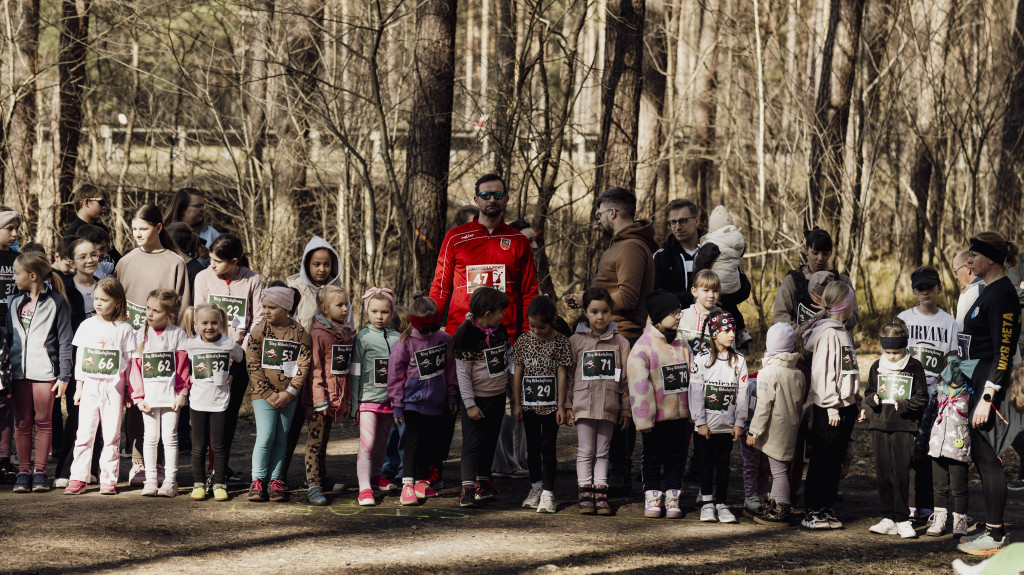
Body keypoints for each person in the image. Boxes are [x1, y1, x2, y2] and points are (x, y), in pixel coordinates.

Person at [566, 188, 657, 494]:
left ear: (613, 213)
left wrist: (588, 299)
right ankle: (599, 470)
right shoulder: (618, 246)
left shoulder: (631, 247)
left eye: (601, 213)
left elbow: (629, 296)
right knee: (600, 403)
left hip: (623, 334)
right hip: (602, 332)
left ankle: (618, 473)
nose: (600, 219)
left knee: (617, 405)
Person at [956, 232, 1022, 556]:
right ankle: (992, 529)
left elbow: (1003, 351)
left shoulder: (1003, 294)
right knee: (982, 457)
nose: (969, 261)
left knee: (988, 457)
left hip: (991, 388)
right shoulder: (987, 291)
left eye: (974, 255)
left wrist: (986, 397)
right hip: (977, 380)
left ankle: (995, 536)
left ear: (991, 259)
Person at [116, 204, 191, 486]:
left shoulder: (175, 262)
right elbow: (118, 304)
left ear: (159, 228)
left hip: (167, 345)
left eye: (143, 229)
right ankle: (138, 463)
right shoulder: (126, 262)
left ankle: (161, 465)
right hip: (135, 344)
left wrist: (177, 344)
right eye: (134, 229)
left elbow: (183, 308)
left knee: (164, 404)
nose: (137, 234)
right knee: (139, 402)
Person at [431, 173, 538, 340]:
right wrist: (429, 328)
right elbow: (440, 288)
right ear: (476, 199)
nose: (492, 200)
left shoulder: (518, 240)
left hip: (505, 338)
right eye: (486, 195)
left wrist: (527, 334)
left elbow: (529, 292)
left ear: (506, 198)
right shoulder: (455, 237)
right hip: (460, 335)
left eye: (498, 195)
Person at [7, 252, 73, 493]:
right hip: (17, 374)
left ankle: (40, 472)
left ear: (32, 276)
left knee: (43, 422)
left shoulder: (57, 302)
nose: (14, 278)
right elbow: (8, 339)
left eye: (17, 273)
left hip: (46, 373)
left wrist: (64, 376)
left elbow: (65, 342)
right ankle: (23, 472)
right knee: (22, 423)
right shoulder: (14, 302)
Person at [898, 265, 960, 519]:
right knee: (909, 447)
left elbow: (954, 359)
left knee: (931, 450)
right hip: (909, 393)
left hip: (938, 395)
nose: (926, 292)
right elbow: (892, 354)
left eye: (930, 287)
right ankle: (908, 503)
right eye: (920, 288)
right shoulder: (904, 319)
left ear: (939, 289)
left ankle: (928, 504)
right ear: (914, 292)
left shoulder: (949, 323)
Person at [796, 280, 859, 529]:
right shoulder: (828, 334)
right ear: (845, 303)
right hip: (829, 408)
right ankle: (812, 510)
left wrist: (857, 400)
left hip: (846, 406)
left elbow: (849, 371)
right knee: (822, 459)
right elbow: (822, 374)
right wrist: (831, 405)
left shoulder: (844, 332)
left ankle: (827, 507)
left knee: (835, 460)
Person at [283, 236, 345, 482]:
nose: (322, 269)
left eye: (327, 264)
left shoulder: (336, 291)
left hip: (324, 372)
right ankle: (278, 477)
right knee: (289, 427)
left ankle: (319, 476)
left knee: (320, 429)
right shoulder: (295, 289)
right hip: (296, 369)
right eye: (316, 264)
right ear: (306, 264)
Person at [626, 289, 693, 519]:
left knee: (676, 456)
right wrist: (644, 418)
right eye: (673, 313)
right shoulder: (643, 348)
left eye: (679, 312)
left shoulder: (683, 344)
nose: (678, 316)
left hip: (680, 415)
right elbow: (639, 385)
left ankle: (673, 497)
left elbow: (693, 378)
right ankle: (653, 496)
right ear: (658, 315)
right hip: (655, 418)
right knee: (652, 456)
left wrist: (693, 410)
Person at [64, 278, 135, 494]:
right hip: (91, 386)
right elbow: (81, 358)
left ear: (117, 302)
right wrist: (79, 386)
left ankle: (108, 478)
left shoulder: (124, 329)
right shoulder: (86, 325)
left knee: (111, 433)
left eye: (104, 300)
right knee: (85, 432)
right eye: (95, 298)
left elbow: (130, 362)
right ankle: (78, 477)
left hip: (114, 387)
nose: (98, 303)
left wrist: (130, 392)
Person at [387, 296, 458, 507]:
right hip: (411, 403)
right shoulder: (405, 342)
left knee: (429, 443)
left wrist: (452, 394)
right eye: (425, 330)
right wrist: (397, 405)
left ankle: (420, 481)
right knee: (412, 442)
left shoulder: (443, 339)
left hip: (437, 402)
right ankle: (407, 485)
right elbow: (395, 375)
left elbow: (451, 368)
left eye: (432, 329)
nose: (428, 334)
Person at [862, 319, 929, 539]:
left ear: (905, 347)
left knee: (901, 471)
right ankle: (887, 517)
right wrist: (872, 399)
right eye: (888, 351)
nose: (892, 356)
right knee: (883, 472)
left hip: (904, 427)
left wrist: (906, 404)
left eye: (897, 351)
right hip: (879, 425)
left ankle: (902, 518)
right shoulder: (876, 366)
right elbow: (869, 392)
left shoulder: (913, 366)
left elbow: (922, 398)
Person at [568, 287, 631, 516]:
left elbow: (625, 378)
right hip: (583, 403)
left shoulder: (621, 343)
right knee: (585, 450)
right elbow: (568, 374)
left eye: (605, 311)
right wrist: (566, 405)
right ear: (585, 312)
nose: (600, 317)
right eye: (594, 311)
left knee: (603, 451)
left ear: (611, 312)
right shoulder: (575, 341)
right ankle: (585, 491)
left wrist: (626, 409)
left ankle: (600, 492)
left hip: (609, 405)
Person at [246, 284, 311, 503]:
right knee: (266, 436)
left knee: (281, 437)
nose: (266, 311)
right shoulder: (259, 330)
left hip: (288, 396)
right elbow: (252, 363)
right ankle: (258, 480)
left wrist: (290, 392)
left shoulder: (300, 332)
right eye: (264, 306)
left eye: (272, 307)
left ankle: (275, 480)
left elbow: (304, 363)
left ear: (286, 308)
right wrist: (266, 393)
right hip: (262, 395)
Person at [511, 295, 572, 514]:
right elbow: (517, 374)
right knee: (532, 448)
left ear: (553, 321)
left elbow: (563, 375)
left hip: (551, 407)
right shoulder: (523, 341)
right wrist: (516, 403)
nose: (537, 331)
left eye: (542, 327)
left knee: (548, 447)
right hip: (528, 406)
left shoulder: (560, 342)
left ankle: (548, 492)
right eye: (532, 326)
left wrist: (561, 405)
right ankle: (535, 486)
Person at [451, 287, 511, 508]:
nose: (503, 315)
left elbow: (507, 359)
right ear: (487, 314)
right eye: (500, 311)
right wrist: (469, 404)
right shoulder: (467, 335)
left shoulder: (500, 331)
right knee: (473, 444)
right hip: (476, 400)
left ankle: (482, 484)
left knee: (489, 442)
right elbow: (463, 374)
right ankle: (467, 489)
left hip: (497, 397)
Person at [128, 289, 189, 498]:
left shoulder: (179, 335)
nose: (150, 314)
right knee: (150, 437)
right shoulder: (139, 335)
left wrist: (182, 393)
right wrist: (137, 397)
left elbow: (183, 368)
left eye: (156, 311)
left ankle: (170, 481)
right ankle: (151, 479)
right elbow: (134, 369)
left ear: (170, 315)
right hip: (149, 397)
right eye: (148, 309)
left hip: (171, 396)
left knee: (170, 437)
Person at [689, 310, 748, 524]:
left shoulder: (739, 360)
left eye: (733, 329)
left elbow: (743, 392)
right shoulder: (702, 359)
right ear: (715, 334)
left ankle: (722, 504)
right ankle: (707, 502)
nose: (732, 334)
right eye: (726, 330)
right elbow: (695, 392)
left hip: (727, 427)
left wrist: (740, 422)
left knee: (724, 466)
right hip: (706, 428)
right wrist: (700, 422)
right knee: (705, 464)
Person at [182, 303, 243, 502]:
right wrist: (189, 374)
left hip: (220, 401)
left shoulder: (228, 344)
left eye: (214, 323)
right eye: (205, 323)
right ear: (196, 324)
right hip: (198, 401)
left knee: (218, 445)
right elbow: (184, 364)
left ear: (221, 323)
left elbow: (241, 360)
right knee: (198, 445)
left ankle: (219, 483)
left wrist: (232, 374)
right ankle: (198, 483)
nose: (209, 327)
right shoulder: (190, 344)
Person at [748, 323, 806, 526]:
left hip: (775, 430)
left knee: (779, 472)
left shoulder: (768, 373)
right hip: (791, 427)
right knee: (781, 468)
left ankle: (781, 507)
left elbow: (763, 406)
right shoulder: (797, 373)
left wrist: (754, 431)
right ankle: (773, 503)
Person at [302, 285, 355, 506]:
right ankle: (312, 484)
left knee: (324, 440)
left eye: (346, 304)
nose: (344, 309)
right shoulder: (319, 335)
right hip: (319, 401)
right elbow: (315, 370)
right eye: (339, 305)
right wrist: (320, 400)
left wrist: (346, 399)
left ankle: (322, 478)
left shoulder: (345, 333)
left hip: (334, 398)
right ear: (324, 308)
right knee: (314, 442)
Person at [351, 288, 400, 506]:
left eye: (384, 312)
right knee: (367, 443)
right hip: (367, 401)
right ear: (367, 311)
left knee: (383, 443)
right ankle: (364, 488)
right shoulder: (362, 338)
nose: (379, 316)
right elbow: (355, 374)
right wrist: (354, 406)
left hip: (390, 402)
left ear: (391, 312)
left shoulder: (399, 338)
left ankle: (377, 475)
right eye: (374, 311)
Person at [772, 227, 858, 330]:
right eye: (815, 253)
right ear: (806, 250)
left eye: (825, 254)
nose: (820, 258)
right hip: (800, 343)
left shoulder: (842, 282)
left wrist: (832, 312)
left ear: (830, 253)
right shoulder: (792, 282)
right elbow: (780, 316)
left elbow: (853, 318)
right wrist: (800, 335)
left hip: (834, 342)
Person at [927, 353, 972, 537]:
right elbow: (928, 417)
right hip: (937, 445)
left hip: (959, 448)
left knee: (959, 487)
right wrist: (922, 442)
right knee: (939, 485)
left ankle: (960, 521)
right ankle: (939, 520)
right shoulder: (938, 390)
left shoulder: (969, 394)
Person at [694, 205, 751, 345]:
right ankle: (742, 331)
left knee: (721, 308)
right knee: (732, 307)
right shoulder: (737, 241)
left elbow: (701, 264)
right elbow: (740, 254)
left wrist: (695, 282)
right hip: (735, 287)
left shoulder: (710, 244)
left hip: (717, 288)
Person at [0, 207, 21, 481]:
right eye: (9, 229)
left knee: (8, 400)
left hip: (14, 335)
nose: (15, 234)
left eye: (17, 228)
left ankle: (4, 459)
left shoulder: (20, 260)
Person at [653, 198, 703, 309]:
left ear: (696, 221)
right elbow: (655, 296)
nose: (677, 227)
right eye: (673, 222)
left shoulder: (714, 249)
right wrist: (694, 298)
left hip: (716, 321)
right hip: (677, 322)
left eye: (682, 221)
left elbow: (742, 290)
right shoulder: (662, 256)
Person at [64, 185, 122, 264]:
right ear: (86, 202)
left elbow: (114, 257)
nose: (104, 207)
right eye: (101, 202)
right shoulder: (72, 232)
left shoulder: (102, 229)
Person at [165, 188, 220, 258]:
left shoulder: (211, 234)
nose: (203, 209)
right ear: (182, 208)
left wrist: (208, 257)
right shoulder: (164, 234)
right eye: (198, 206)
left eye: (203, 205)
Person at [679, 269, 722, 355]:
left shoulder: (722, 318)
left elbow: (729, 349)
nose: (711, 295)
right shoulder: (682, 316)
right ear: (694, 291)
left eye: (715, 291)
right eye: (706, 290)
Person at [953, 249, 984, 330]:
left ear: (967, 268)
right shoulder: (988, 286)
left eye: (956, 272)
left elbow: (962, 329)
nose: (956, 276)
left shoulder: (974, 292)